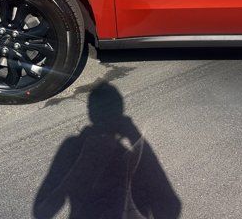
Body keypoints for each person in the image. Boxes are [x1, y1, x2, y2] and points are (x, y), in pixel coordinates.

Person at [33, 82, 181, 219]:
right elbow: (170, 208)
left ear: (90, 113)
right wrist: (136, 139)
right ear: (121, 116)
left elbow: (42, 211)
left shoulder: (73, 147)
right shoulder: (130, 156)